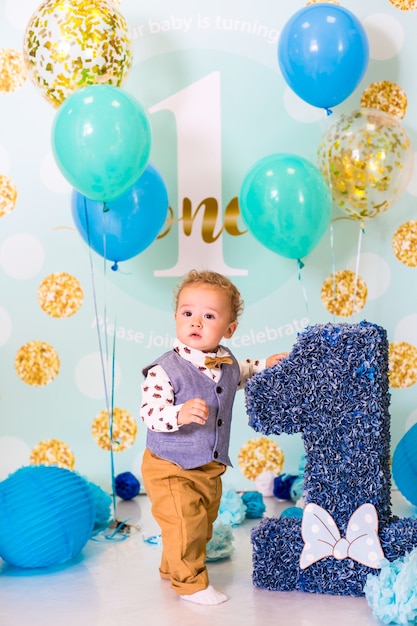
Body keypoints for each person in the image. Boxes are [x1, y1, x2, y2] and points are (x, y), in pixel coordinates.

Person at [140, 269, 287, 606]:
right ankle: (189, 584)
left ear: (229, 329)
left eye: (209, 316)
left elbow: (242, 372)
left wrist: (266, 364)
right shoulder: (165, 369)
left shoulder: (227, 363)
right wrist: (178, 413)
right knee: (184, 523)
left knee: (202, 525)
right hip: (170, 465)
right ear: (175, 316)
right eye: (187, 313)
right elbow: (150, 412)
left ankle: (171, 566)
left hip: (208, 466)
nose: (196, 322)